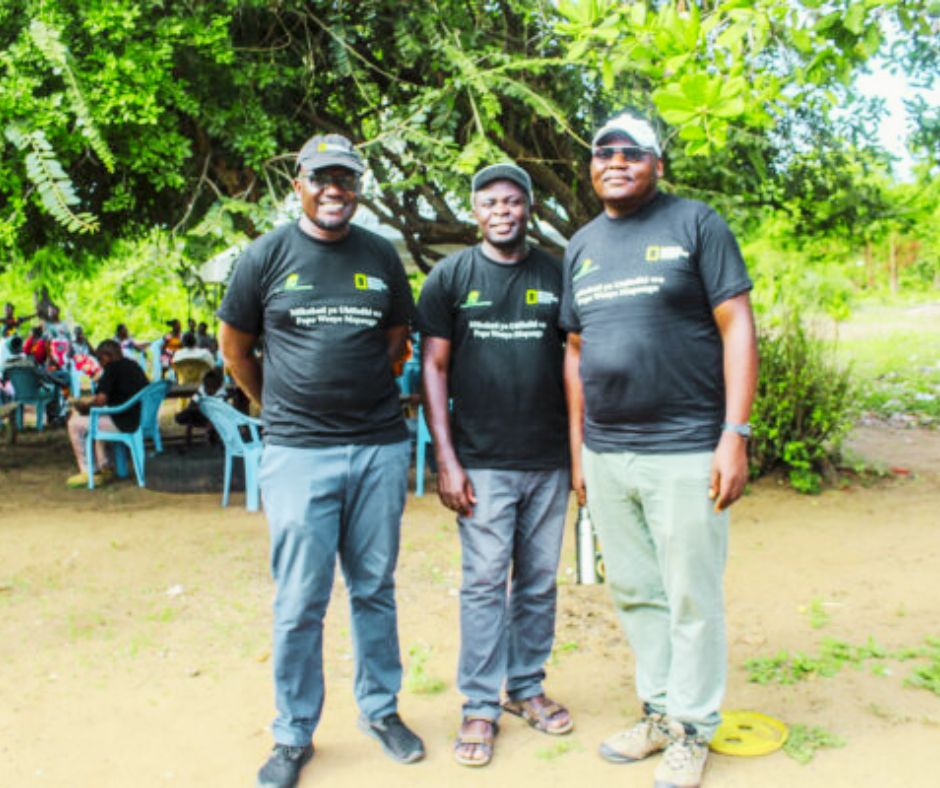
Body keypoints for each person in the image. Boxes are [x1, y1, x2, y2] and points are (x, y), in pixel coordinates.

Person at [217, 133, 423, 788]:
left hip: (379, 447)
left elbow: (396, 339)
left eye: (346, 179)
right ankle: (293, 731)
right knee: (301, 599)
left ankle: (381, 709)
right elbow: (235, 350)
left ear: (358, 187)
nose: (335, 189)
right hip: (299, 452)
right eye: (322, 178)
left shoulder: (381, 255)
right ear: (299, 185)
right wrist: (278, 407)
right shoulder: (265, 256)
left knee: (374, 588)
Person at [560, 113, 758, 788]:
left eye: (631, 152)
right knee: (636, 590)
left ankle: (693, 729)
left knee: (691, 596)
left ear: (657, 165)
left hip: (685, 448)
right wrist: (579, 450)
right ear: (591, 166)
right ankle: (660, 711)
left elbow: (737, 325)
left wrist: (734, 433)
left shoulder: (696, 224)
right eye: (603, 152)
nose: (615, 161)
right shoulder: (582, 245)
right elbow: (575, 350)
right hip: (607, 453)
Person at [416, 163, 572, 767]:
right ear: (475, 212)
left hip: (549, 459)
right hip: (481, 461)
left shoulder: (556, 273)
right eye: (490, 202)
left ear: (527, 207)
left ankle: (525, 686)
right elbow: (433, 367)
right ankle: (480, 704)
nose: (502, 211)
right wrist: (446, 458)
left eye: (512, 201)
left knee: (538, 581)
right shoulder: (451, 277)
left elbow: (577, 359)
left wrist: (579, 453)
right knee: (484, 584)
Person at [65, 339, 149, 488]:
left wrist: (84, 407)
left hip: (123, 422)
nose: (99, 363)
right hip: (140, 417)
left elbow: (100, 400)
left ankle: (88, 471)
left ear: (107, 356)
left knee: (74, 424)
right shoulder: (134, 366)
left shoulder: (112, 369)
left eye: (99, 359)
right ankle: (105, 465)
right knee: (95, 422)